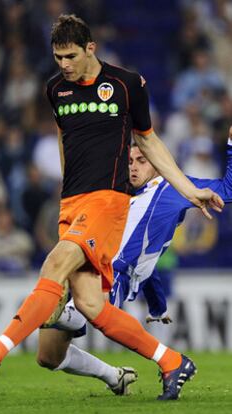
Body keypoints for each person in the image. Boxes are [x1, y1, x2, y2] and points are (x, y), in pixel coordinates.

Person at [0, 14, 223, 401]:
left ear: (90, 48)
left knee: (53, 267)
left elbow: (149, 143)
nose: (64, 64)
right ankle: (171, 360)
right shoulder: (55, 89)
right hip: (73, 203)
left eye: (71, 56)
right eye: (58, 57)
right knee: (92, 306)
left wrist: (190, 189)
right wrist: (66, 191)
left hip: (107, 201)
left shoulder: (126, 85)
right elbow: (66, 141)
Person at [37, 126, 232, 386]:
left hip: (109, 275)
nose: (133, 167)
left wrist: (230, 145)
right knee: (48, 357)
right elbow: (147, 261)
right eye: (129, 161)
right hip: (82, 266)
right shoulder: (118, 193)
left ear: (158, 162)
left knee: (68, 309)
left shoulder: (174, 188)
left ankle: (11, 336)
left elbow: (227, 189)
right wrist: (157, 305)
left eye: (142, 160)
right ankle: (114, 376)